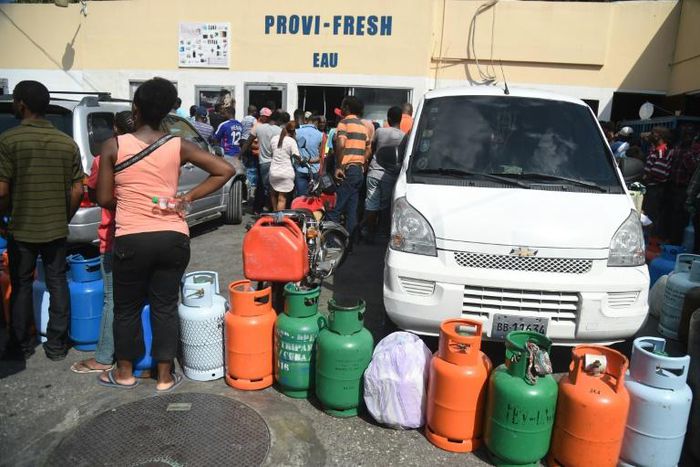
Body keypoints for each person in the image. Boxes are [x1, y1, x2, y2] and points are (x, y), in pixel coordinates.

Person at [96, 78, 234, 391]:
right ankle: (164, 376)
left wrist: (131, 198)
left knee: (126, 308)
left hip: (131, 237)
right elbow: (224, 170)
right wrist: (188, 197)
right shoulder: (177, 144)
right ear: (169, 112)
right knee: (165, 306)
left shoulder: (113, 146)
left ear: (135, 109)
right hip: (173, 236)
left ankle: (125, 373)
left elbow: (104, 199)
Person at [0, 80, 84, 361]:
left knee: (22, 283)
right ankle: (57, 345)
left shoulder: (9, 141)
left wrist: (3, 219)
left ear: (22, 104)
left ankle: (21, 344)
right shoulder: (66, 142)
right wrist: (64, 216)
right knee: (57, 282)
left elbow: (2, 190)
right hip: (56, 228)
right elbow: (77, 189)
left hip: (21, 228)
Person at [70, 111, 135, 374]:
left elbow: (96, 192)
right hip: (145, 234)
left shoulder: (102, 158)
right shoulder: (152, 155)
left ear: (114, 129)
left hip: (113, 235)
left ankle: (105, 357)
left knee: (113, 298)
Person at [328, 96, 371, 242]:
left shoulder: (344, 123)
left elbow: (340, 144)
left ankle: (332, 242)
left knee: (336, 209)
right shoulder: (364, 126)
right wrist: (362, 164)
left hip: (346, 170)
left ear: (346, 108)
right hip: (358, 170)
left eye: (343, 107)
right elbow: (368, 150)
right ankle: (351, 243)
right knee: (352, 210)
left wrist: (339, 167)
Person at [363, 106, 405, 243]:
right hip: (390, 175)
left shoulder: (380, 131)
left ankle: (368, 232)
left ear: (388, 118)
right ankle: (382, 233)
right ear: (400, 119)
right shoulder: (404, 137)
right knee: (385, 205)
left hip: (374, 172)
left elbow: (372, 148)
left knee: (371, 203)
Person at [642, 126, 673, 238]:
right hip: (653, 187)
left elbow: (657, 172)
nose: (651, 135)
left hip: (655, 188)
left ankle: (650, 239)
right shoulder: (656, 149)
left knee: (651, 216)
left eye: (653, 133)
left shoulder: (661, 151)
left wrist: (646, 177)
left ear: (660, 136)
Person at [249, 108, 282, 211]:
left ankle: (265, 208)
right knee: (273, 187)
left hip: (263, 162)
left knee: (265, 186)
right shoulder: (280, 130)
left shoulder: (259, 128)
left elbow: (248, 141)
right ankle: (270, 208)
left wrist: (240, 154)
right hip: (275, 161)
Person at [269, 122, 299, 211]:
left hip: (274, 171)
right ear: (293, 131)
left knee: (273, 195)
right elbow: (296, 156)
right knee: (282, 199)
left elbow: (271, 152)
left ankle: (274, 215)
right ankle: (279, 220)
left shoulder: (274, 139)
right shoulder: (291, 141)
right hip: (286, 173)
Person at [294, 113, 323, 196]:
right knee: (313, 197)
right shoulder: (321, 135)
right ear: (316, 122)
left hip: (300, 167)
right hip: (315, 169)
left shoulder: (296, 132)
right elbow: (322, 155)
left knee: (301, 197)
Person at [240, 105, 259, 198]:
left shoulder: (243, 119)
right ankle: (251, 187)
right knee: (252, 166)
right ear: (254, 111)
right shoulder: (254, 120)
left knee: (245, 164)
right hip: (249, 143)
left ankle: (245, 183)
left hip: (242, 142)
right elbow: (255, 132)